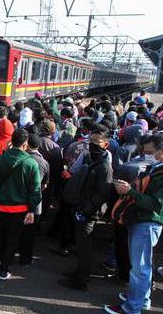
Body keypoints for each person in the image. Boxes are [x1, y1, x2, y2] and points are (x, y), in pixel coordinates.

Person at [104, 134, 163, 314]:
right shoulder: (156, 167)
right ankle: (140, 299)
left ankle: (132, 308)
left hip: (147, 222)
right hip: (141, 220)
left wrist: (130, 191)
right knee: (141, 266)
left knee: (139, 269)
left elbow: (155, 204)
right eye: (144, 152)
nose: (146, 155)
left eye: (150, 152)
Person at [0, 129, 41, 280]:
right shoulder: (31, 163)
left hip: (0, 205)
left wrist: (6, 150)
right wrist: (31, 209)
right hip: (20, 209)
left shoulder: (0, 159)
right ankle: (4, 269)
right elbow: (36, 190)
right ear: (26, 144)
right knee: (11, 240)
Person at [59, 125, 113, 291]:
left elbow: (102, 193)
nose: (93, 144)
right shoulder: (93, 159)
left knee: (84, 246)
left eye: (98, 142)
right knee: (81, 245)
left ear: (106, 145)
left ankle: (81, 280)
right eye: (92, 140)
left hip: (88, 212)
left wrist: (85, 210)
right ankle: (79, 272)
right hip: (81, 206)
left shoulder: (104, 166)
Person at [19, 133, 49, 266]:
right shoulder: (44, 162)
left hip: (19, 201)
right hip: (35, 203)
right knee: (29, 233)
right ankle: (26, 259)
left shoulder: (22, 159)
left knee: (15, 230)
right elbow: (45, 185)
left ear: (27, 144)